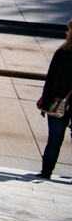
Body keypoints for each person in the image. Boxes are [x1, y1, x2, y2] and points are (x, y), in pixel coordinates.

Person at [35, 17, 72, 179]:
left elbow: (51, 80)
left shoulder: (62, 54)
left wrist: (46, 102)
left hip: (57, 103)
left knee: (54, 139)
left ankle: (46, 172)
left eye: (69, 29)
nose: (66, 31)